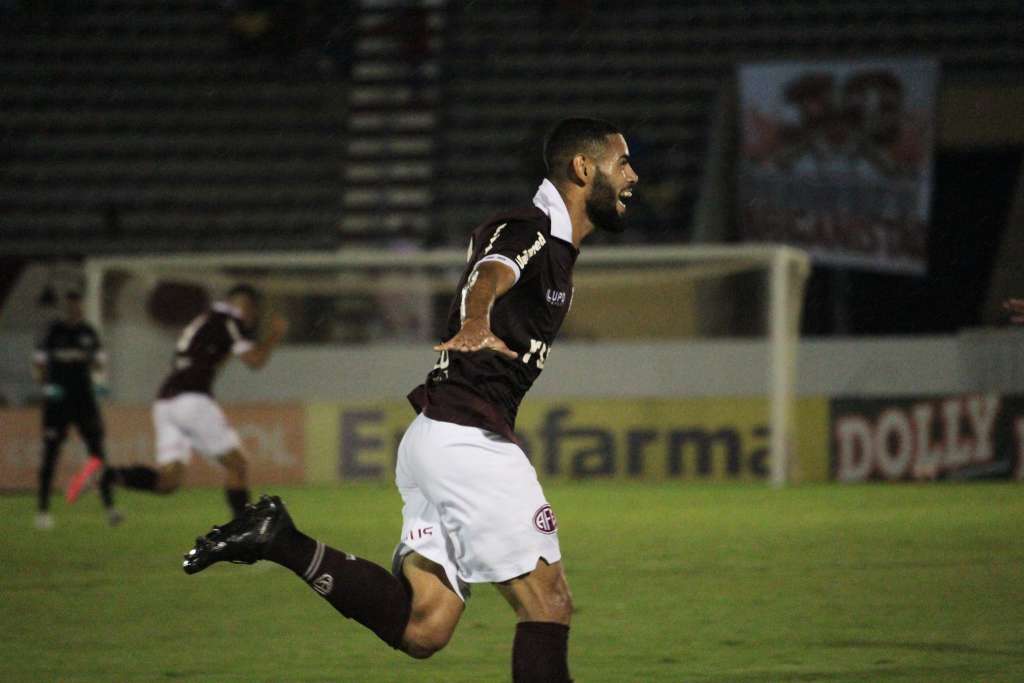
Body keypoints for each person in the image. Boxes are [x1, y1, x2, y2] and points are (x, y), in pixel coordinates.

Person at [182, 118, 639, 682]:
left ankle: (281, 540)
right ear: (583, 168)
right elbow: (489, 273)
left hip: (437, 437)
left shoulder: (556, 245)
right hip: (468, 443)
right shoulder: (531, 227)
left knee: (425, 625)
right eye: (623, 162)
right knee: (548, 603)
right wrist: (475, 320)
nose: (633, 176)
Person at [92, 284, 287, 518]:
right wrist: (275, 334)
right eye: (254, 311)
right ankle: (244, 528)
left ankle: (109, 475)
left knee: (168, 481)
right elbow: (255, 361)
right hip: (192, 400)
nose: (253, 319)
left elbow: (197, 356)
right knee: (237, 465)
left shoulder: (206, 320)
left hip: (166, 402)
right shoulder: (230, 321)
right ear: (246, 306)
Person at [33, 289, 120, 529]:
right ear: (66, 307)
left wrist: (99, 382)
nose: (74, 310)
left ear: (81, 307)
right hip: (58, 402)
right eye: (71, 305)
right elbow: (39, 365)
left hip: (84, 401)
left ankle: (110, 509)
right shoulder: (52, 332)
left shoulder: (88, 333)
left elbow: (100, 363)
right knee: (50, 454)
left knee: (97, 454)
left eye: (78, 306)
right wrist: (46, 387)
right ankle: (43, 510)